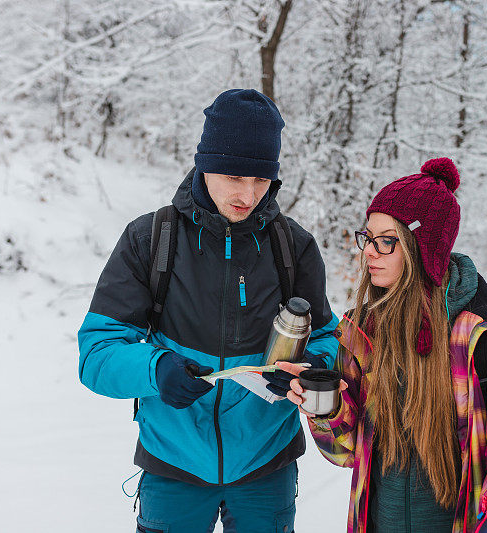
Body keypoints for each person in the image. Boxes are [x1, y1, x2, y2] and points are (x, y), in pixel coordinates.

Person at [77, 89, 339, 533]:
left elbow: (326, 338)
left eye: (262, 181)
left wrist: (310, 366)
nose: (249, 194)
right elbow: (96, 354)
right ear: (204, 162)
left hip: (266, 465)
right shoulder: (151, 240)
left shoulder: (292, 247)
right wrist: (156, 369)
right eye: (235, 177)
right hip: (172, 464)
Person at [278, 158, 487, 532]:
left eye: (386, 241)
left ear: (423, 247)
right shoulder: (363, 330)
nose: (369, 251)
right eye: (368, 238)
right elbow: (347, 452)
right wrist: (325, 405)